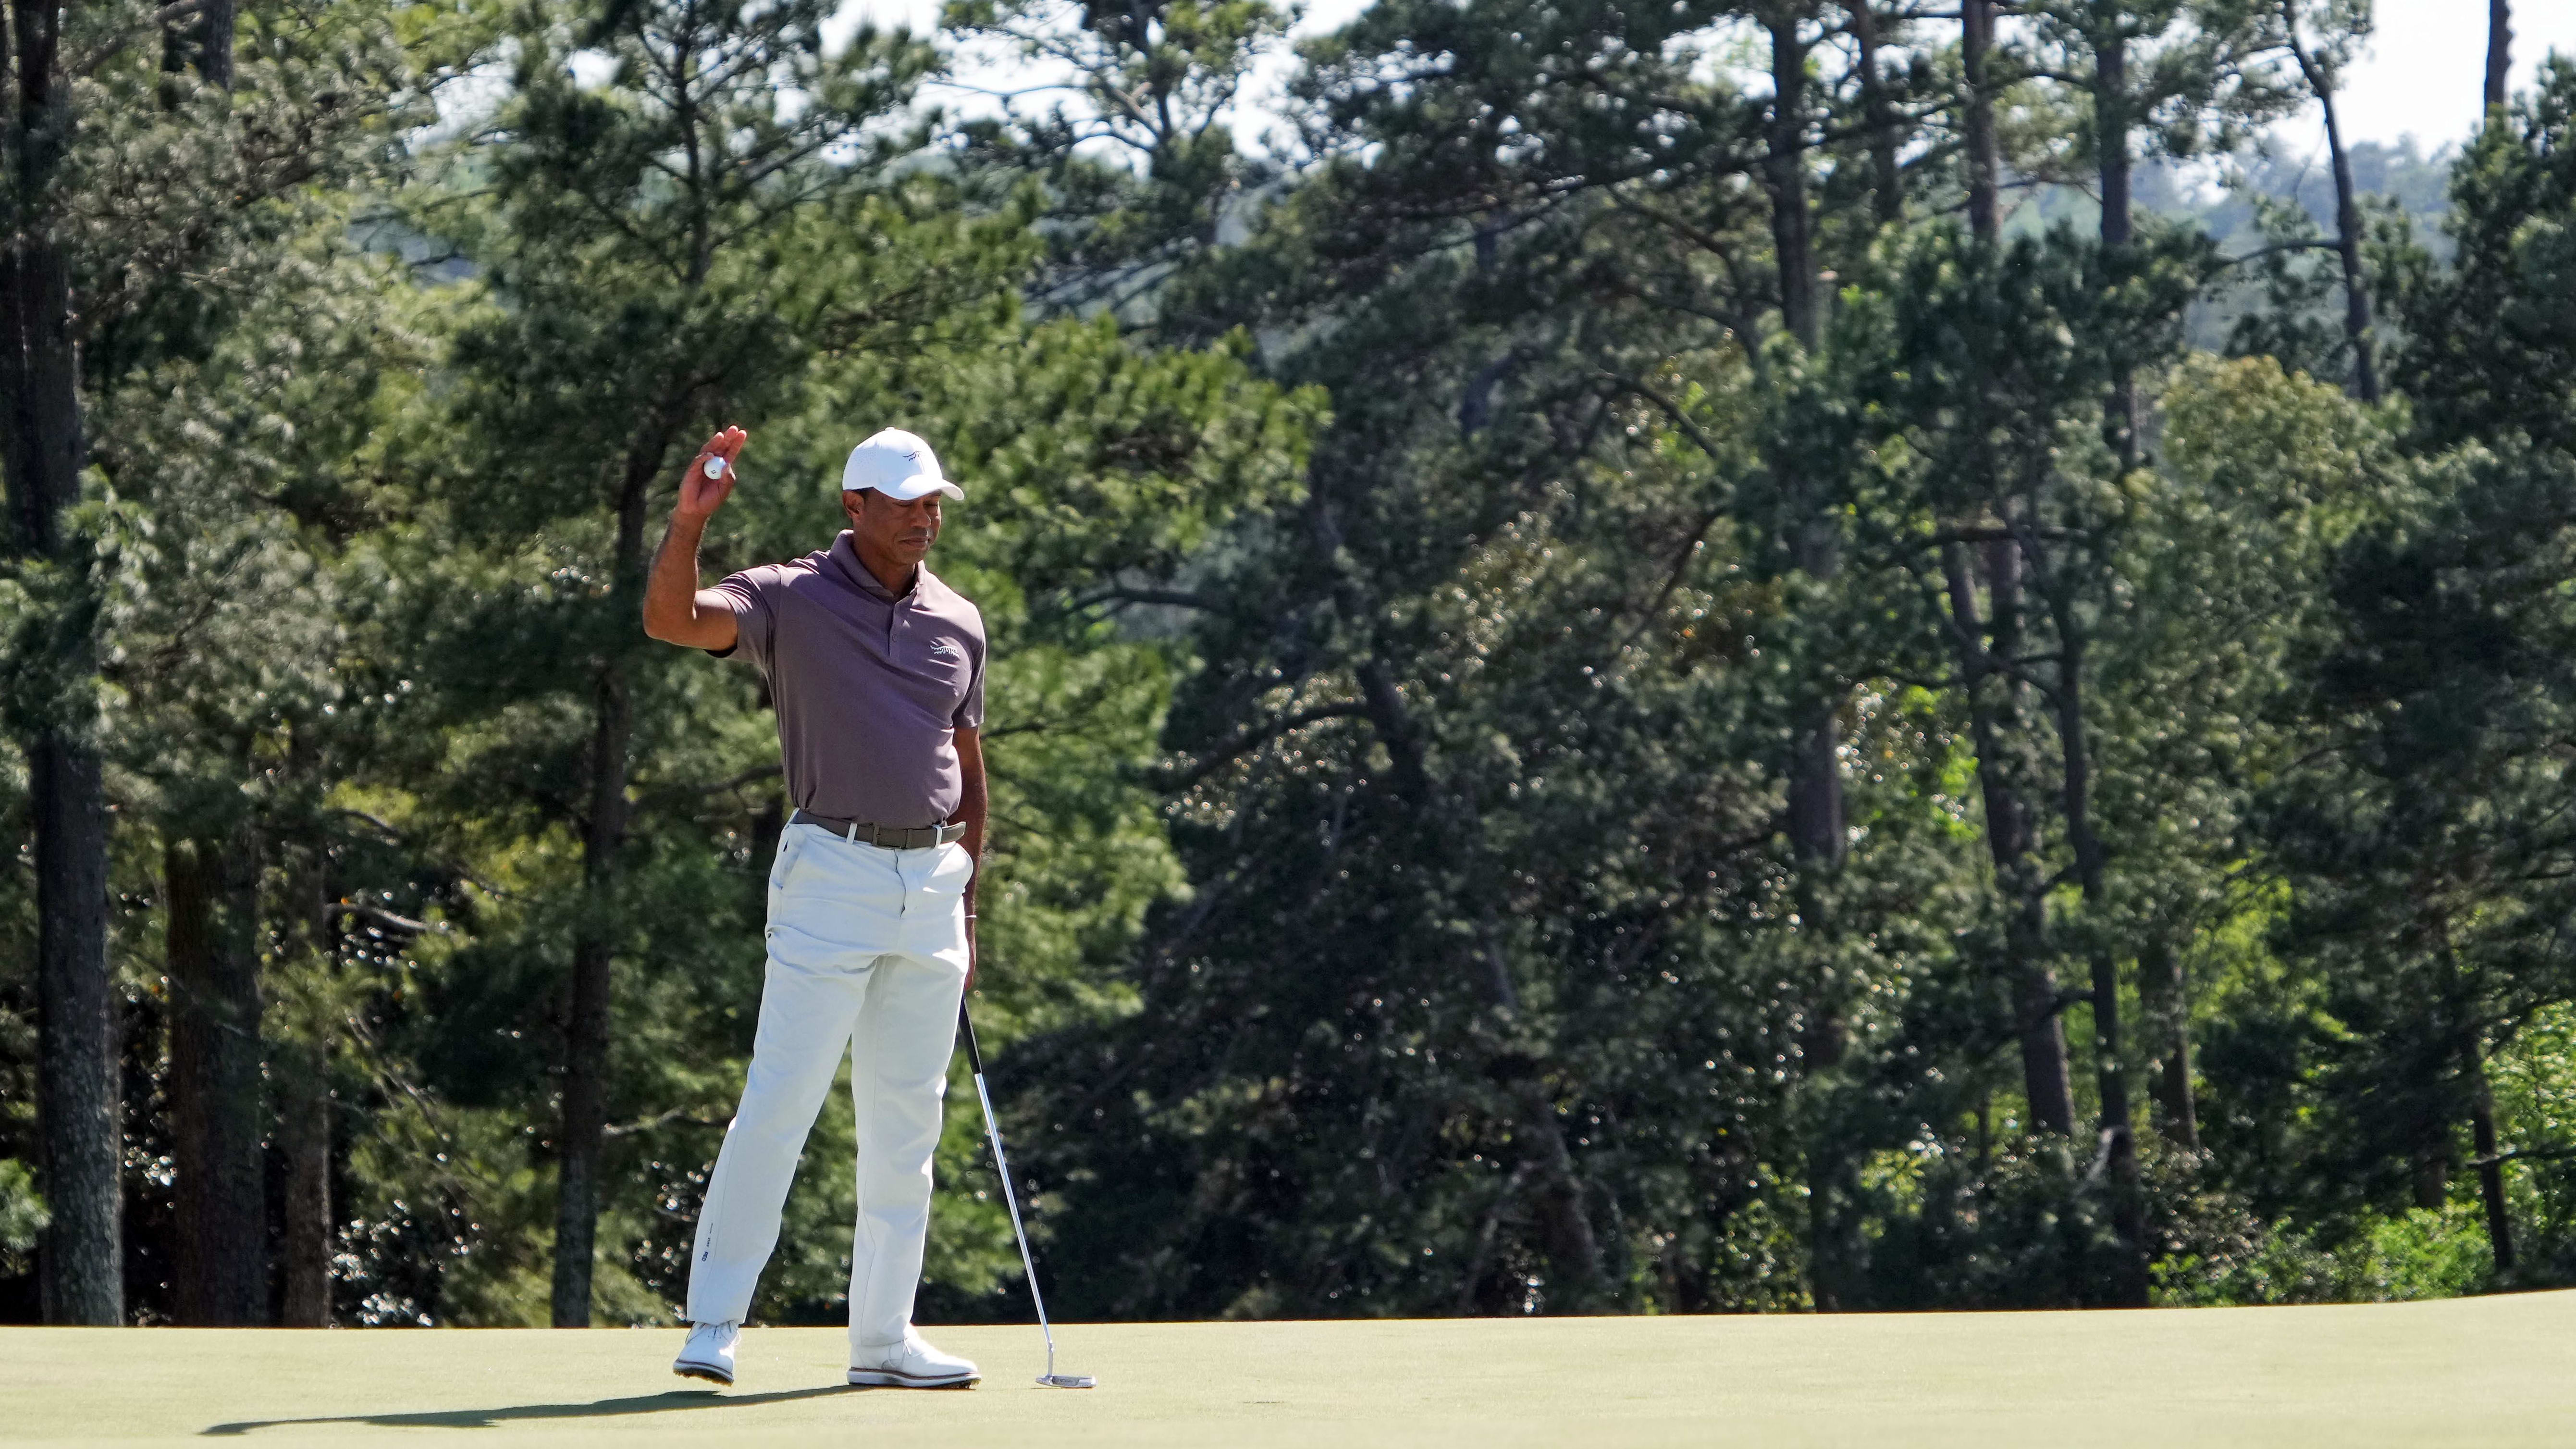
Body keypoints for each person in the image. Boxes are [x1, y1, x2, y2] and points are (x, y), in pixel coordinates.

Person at [641, 422, 989, 1389]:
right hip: (828, 872)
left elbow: (965, 766)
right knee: (781, 1099)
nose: (925, 515)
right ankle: (714, 1320)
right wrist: (686, 524)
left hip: (929, 887)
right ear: (854, 508)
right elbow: (673, 621)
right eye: (906, 500)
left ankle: (882, 1338)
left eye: (933, 501)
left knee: (906, 1122)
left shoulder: (957, 619)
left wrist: (967, 897)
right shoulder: (787, 596)